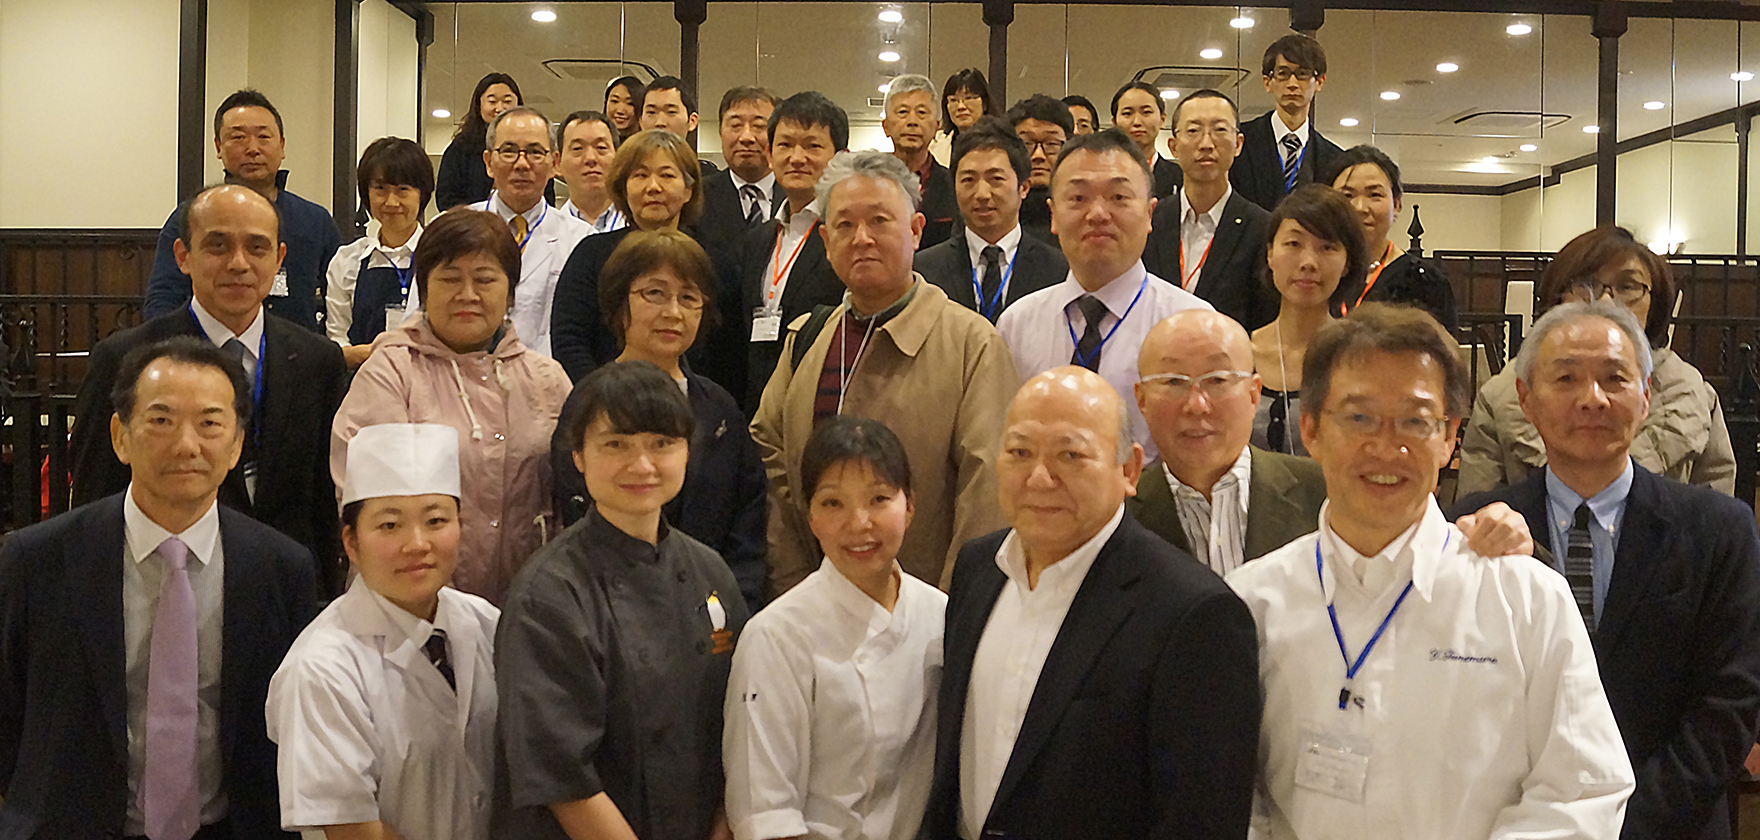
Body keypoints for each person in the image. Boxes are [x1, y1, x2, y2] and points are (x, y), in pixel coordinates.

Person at [1225, 303, 1636, 839]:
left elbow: (1584, 789)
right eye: (1359, 417)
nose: (1387, 446)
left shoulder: (1526, 597)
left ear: (1450, 437)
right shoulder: (1254, 600)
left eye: (1416, 421)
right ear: (1310, 429)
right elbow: (1229, 794)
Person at [1451, 299, 1760, 840]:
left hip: (1672, 826)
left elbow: (1730, 706)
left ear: (1645, 396)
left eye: (1614, 379)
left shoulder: (1719, 531)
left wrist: (1611, 824)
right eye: (1566, 378)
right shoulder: (1473, 530)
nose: (1591, 399)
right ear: (1525, 398)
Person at [921, 367, 1261, 840]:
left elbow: (1201, 821)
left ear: (1129, 469)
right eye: (1019, 452)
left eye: (1071, 454)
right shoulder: (978, 570)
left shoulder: (1193, 613)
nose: (1039, 477)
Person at [0, 335, 318, 838]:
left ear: (236, 445)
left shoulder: (282, 568)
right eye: (161, 420)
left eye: (210, 424)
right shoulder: (38, 561)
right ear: (120, 436)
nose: (186, 445)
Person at [496, 360, 751, 840]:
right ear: (578, 456)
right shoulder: (548, 594)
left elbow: (739, 724)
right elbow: (562, 777)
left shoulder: (710, 571)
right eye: (616, 445)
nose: (642, 465)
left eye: (661, 443)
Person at [753, 151, 1018, 596]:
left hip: (926, 617)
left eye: (879, 221)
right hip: (818, 604)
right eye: (844, 225)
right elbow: (770, 459)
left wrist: (948, 616)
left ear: (915, 230)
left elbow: (986, 496)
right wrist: (797, 586)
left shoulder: (971, 344)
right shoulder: (808, 338)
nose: (862, 239)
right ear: (825, 239)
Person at [75, 184, 349, 592]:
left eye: (257, 248)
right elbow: (95, 496)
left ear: (279, 259)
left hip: (286, 591)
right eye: (217, 245)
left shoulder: (317, 360)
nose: (238, 263)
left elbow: (322, 504)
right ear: (183, 256)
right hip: (161, 582)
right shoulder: (126, 358)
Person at [1130, 310, 1534, 577]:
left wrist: (1509, 537)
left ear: (1255, 394)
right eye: (1173, 382)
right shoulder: (1114, 514)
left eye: (1218, 380)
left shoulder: (1333, 484)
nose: (1197, 404)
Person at [267, 423, 499, 840]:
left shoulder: (485, 623)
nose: (417, 544)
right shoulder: (321, 668)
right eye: (390, 525)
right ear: (351, 543)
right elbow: (351, 828)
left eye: (435, 520)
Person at [331, 209, 571, 606]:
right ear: (424, 290)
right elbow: (373, 506)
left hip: (529, 606)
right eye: (449, 279)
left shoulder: (547, 379)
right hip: (412, 606)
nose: (468, 295)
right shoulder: (392, 371)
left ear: (511, 293)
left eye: (485, 279)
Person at [723, 417, 944, 840]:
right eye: (833, 503)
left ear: (910, 504)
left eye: (879, 498)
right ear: (809, 515)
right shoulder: (776, 636)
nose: (859, 523)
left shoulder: (940, 616)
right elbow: (766, 815)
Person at [550, 229, 768, 609]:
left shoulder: (718, 408)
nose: (673, 312)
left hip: (713, 608)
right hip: (608, 607)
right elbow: (574, 517)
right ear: (620, 303)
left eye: (689, 298)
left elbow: (747, 524)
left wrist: (731, 606)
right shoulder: (590, 402)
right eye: (655, 293)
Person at [1459, 225, 1736, 497]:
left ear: (1655, 303)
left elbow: (1712, 526)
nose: (1604, 301)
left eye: (1627, 286)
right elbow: (1479, 521)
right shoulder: (1502, 396)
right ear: (1558, 296)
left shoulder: (1693, 395)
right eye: (1586, 285)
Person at [997, 128, 1211, 463]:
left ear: (1150, 213)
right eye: (1078, 199)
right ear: (1053, 214)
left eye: (1119, 198)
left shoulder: (1193, 323)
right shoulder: (1017, 324)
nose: (1097, 214)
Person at [145, 89, 342, 333]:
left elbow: (340, 302)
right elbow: (163, 301)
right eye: (238, 137)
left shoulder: (316, 220)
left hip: (296, 359)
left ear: (282, 146)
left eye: (263, 137)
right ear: (218, 147)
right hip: (207, 356)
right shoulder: (192, 216)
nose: (252, 149)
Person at [550, 129, 708, 381]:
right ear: (623, 188)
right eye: (640, 175)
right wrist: (603, 400)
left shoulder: (710, 260)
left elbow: (725, 353)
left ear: (689, 190)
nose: (653, 187)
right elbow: (569, 339)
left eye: (667, 175)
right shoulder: (591, 254)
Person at [733, 91, 851, 413]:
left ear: (840, 157)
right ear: (770, 155)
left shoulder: (850, 235)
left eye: (813, 146)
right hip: (758, 409)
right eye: (785, 145)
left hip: (824, 405)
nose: (797, 157)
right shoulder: (757, 240)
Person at [1249, 184, 1368, 457]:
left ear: (1347, 262)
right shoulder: (1236, 354)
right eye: (1293, 244)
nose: (1308, 262)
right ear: (1270, 253)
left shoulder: (1360, 360)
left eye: (1327, 247)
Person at [465, 105, 593, 359]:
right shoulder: (452, 231)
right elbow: (418, 319)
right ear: (489, 163)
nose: (522, 164)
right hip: (462, 383)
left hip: (550, 386)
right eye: (509, 151)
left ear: (554, 163)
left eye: (535, 152)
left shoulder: (582, 240)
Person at [1143, 89, 1275, 330]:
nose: (1206, 143)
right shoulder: (1150, 222)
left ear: (1238, 144)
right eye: (1193, 131)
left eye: (1219, 130)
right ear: (1173, 146)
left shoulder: (1262, 228)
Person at [914, 117, 1067, 322]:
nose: (982, 194)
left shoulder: (1059, 271)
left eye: (996, 179)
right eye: (968, 180)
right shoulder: (923, 273)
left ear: (1024, 187)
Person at [325, 136, 434, 369]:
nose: (391, 202)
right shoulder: (347, 260)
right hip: (364, 381)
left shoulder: (440, 256)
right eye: (380, 189)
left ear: (422, 193)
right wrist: (361, 355)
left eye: (403, 190)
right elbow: (337, 337)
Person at [1327, 145, 1459, 329]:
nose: (1359, 207)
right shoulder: (1316, 272)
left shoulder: (1424, 283)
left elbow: (1443, 354)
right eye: (1347, 195)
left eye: (1374, 195)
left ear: (1396, 205)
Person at [1231, 34, 1344, 213]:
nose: (1292, 84)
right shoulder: (1238, 143)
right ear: (1267, 82)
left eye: (1303, 74)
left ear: (1320, 82)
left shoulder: (1335, 159)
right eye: (1283, 74)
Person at [436, 72, 555, 211]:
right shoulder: (461, 147)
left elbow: (548, 197)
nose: (499, 108)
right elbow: (446, 198)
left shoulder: (537, 146)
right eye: (492, 102)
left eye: (507, 101)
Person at [696, 87, 783, 259]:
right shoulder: (696, 197)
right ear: (720, 132)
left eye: (759, 126)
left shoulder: (798, 197)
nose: (746, 137)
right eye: (735, 126)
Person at [883, 74, 958, 251]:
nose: (912, 122)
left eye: (922, 113)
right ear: (885, 126)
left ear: (936, 127)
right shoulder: (869, 182)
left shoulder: (955, 185)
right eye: (902, 112)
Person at [1003, 95, 1073, 246]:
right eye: (1027, 144)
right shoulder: (996, 211)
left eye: (1051, 144)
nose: (1038, 155)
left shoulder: (1081, 212)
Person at [555, 110, 627, 234]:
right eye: (577, 149)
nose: (590, 158)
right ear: (557, 163)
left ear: (619, 158)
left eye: (601, 148)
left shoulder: (641, 225)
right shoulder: (546, 230)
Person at [1110, 81, 1181, 198]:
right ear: (1114, 123)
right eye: (1127, 113)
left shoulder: (1179, 176)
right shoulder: (1102, 174)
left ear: (1162, 120)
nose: (1137, 121)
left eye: (1146, 112)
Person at [929, 68, 998, 167]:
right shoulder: (934, 143)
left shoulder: (1002, 142)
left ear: (985, 103)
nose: (960, 106)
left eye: (969, 98)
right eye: (953, 100)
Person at [639, 76, 709, 170]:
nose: (660, 122)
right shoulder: (626, 173)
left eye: (671, 112)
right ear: (640, 121)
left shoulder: (706, 180)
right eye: (651, 112)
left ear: (692, 121)